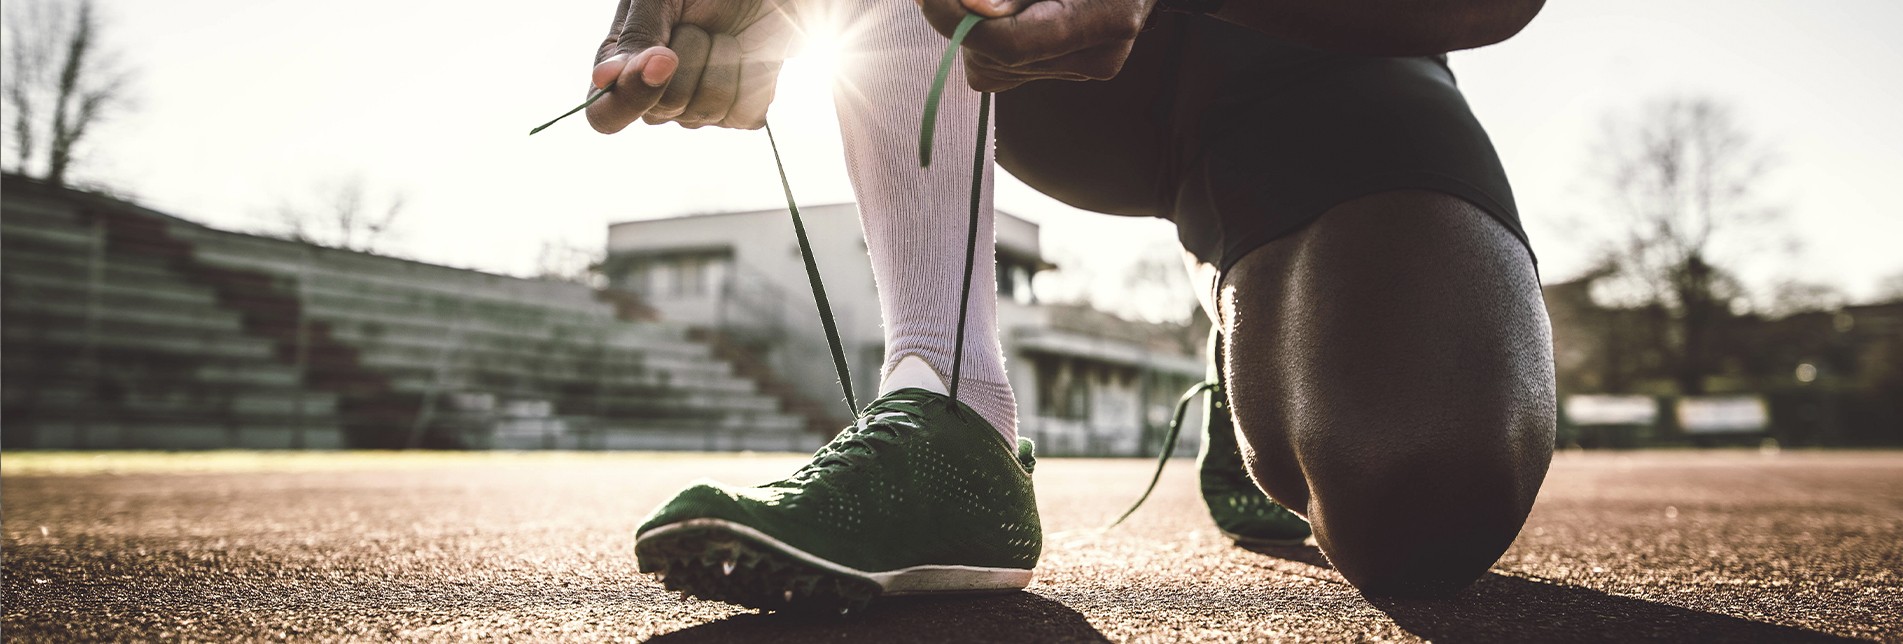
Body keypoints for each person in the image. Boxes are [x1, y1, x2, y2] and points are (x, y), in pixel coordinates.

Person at [581, 0, 1556, 609]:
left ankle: (1247, 330)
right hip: (1030, 77)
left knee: (1419, 495)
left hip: (1323, 66)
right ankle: (948, 397)